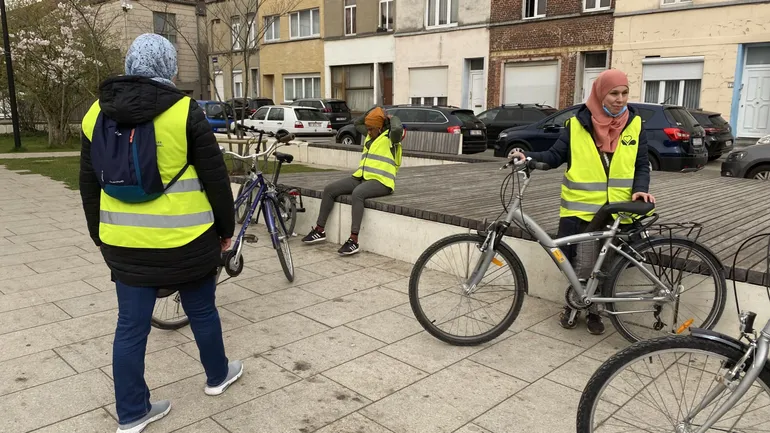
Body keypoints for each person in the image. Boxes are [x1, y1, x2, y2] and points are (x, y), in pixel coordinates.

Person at [78, 34, 242, 433]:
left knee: (130, 327)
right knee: (202, 310)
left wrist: (100, 237)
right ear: (168, 66)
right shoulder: (185, 110)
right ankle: (218, 376)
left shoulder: (95, 114)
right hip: (188, 241)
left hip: (124, 243)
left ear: (130, 61)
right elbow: (215, 179)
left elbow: (88, 185)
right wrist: (225, 231)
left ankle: (132, 414)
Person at [509, 69, 656, 335]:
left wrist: (640, 190)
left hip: (619, 210)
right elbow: (553, 156)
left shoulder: (635, 124)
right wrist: (527, 158)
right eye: (613, 93)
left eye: (624, 93)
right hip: (583, 209)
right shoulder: (576, 125)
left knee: (608, 266)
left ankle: (593, 310)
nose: (619, 99)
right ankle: (578, 306)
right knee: (580, 264)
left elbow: (641, 165)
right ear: (600, 94)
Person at [301, 107, 403, 255]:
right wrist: (372, 110)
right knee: (330, 189)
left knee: (358, 194)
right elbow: (357, 123)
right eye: (367, 128)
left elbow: (398, 127)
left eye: (371, 129)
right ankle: (319, 230)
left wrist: (389, 117)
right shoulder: (371, 135)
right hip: (362, 177)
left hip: (382, 182)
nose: (367, 132)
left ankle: (353, 240)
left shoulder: (391, 138)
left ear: (380, 128)